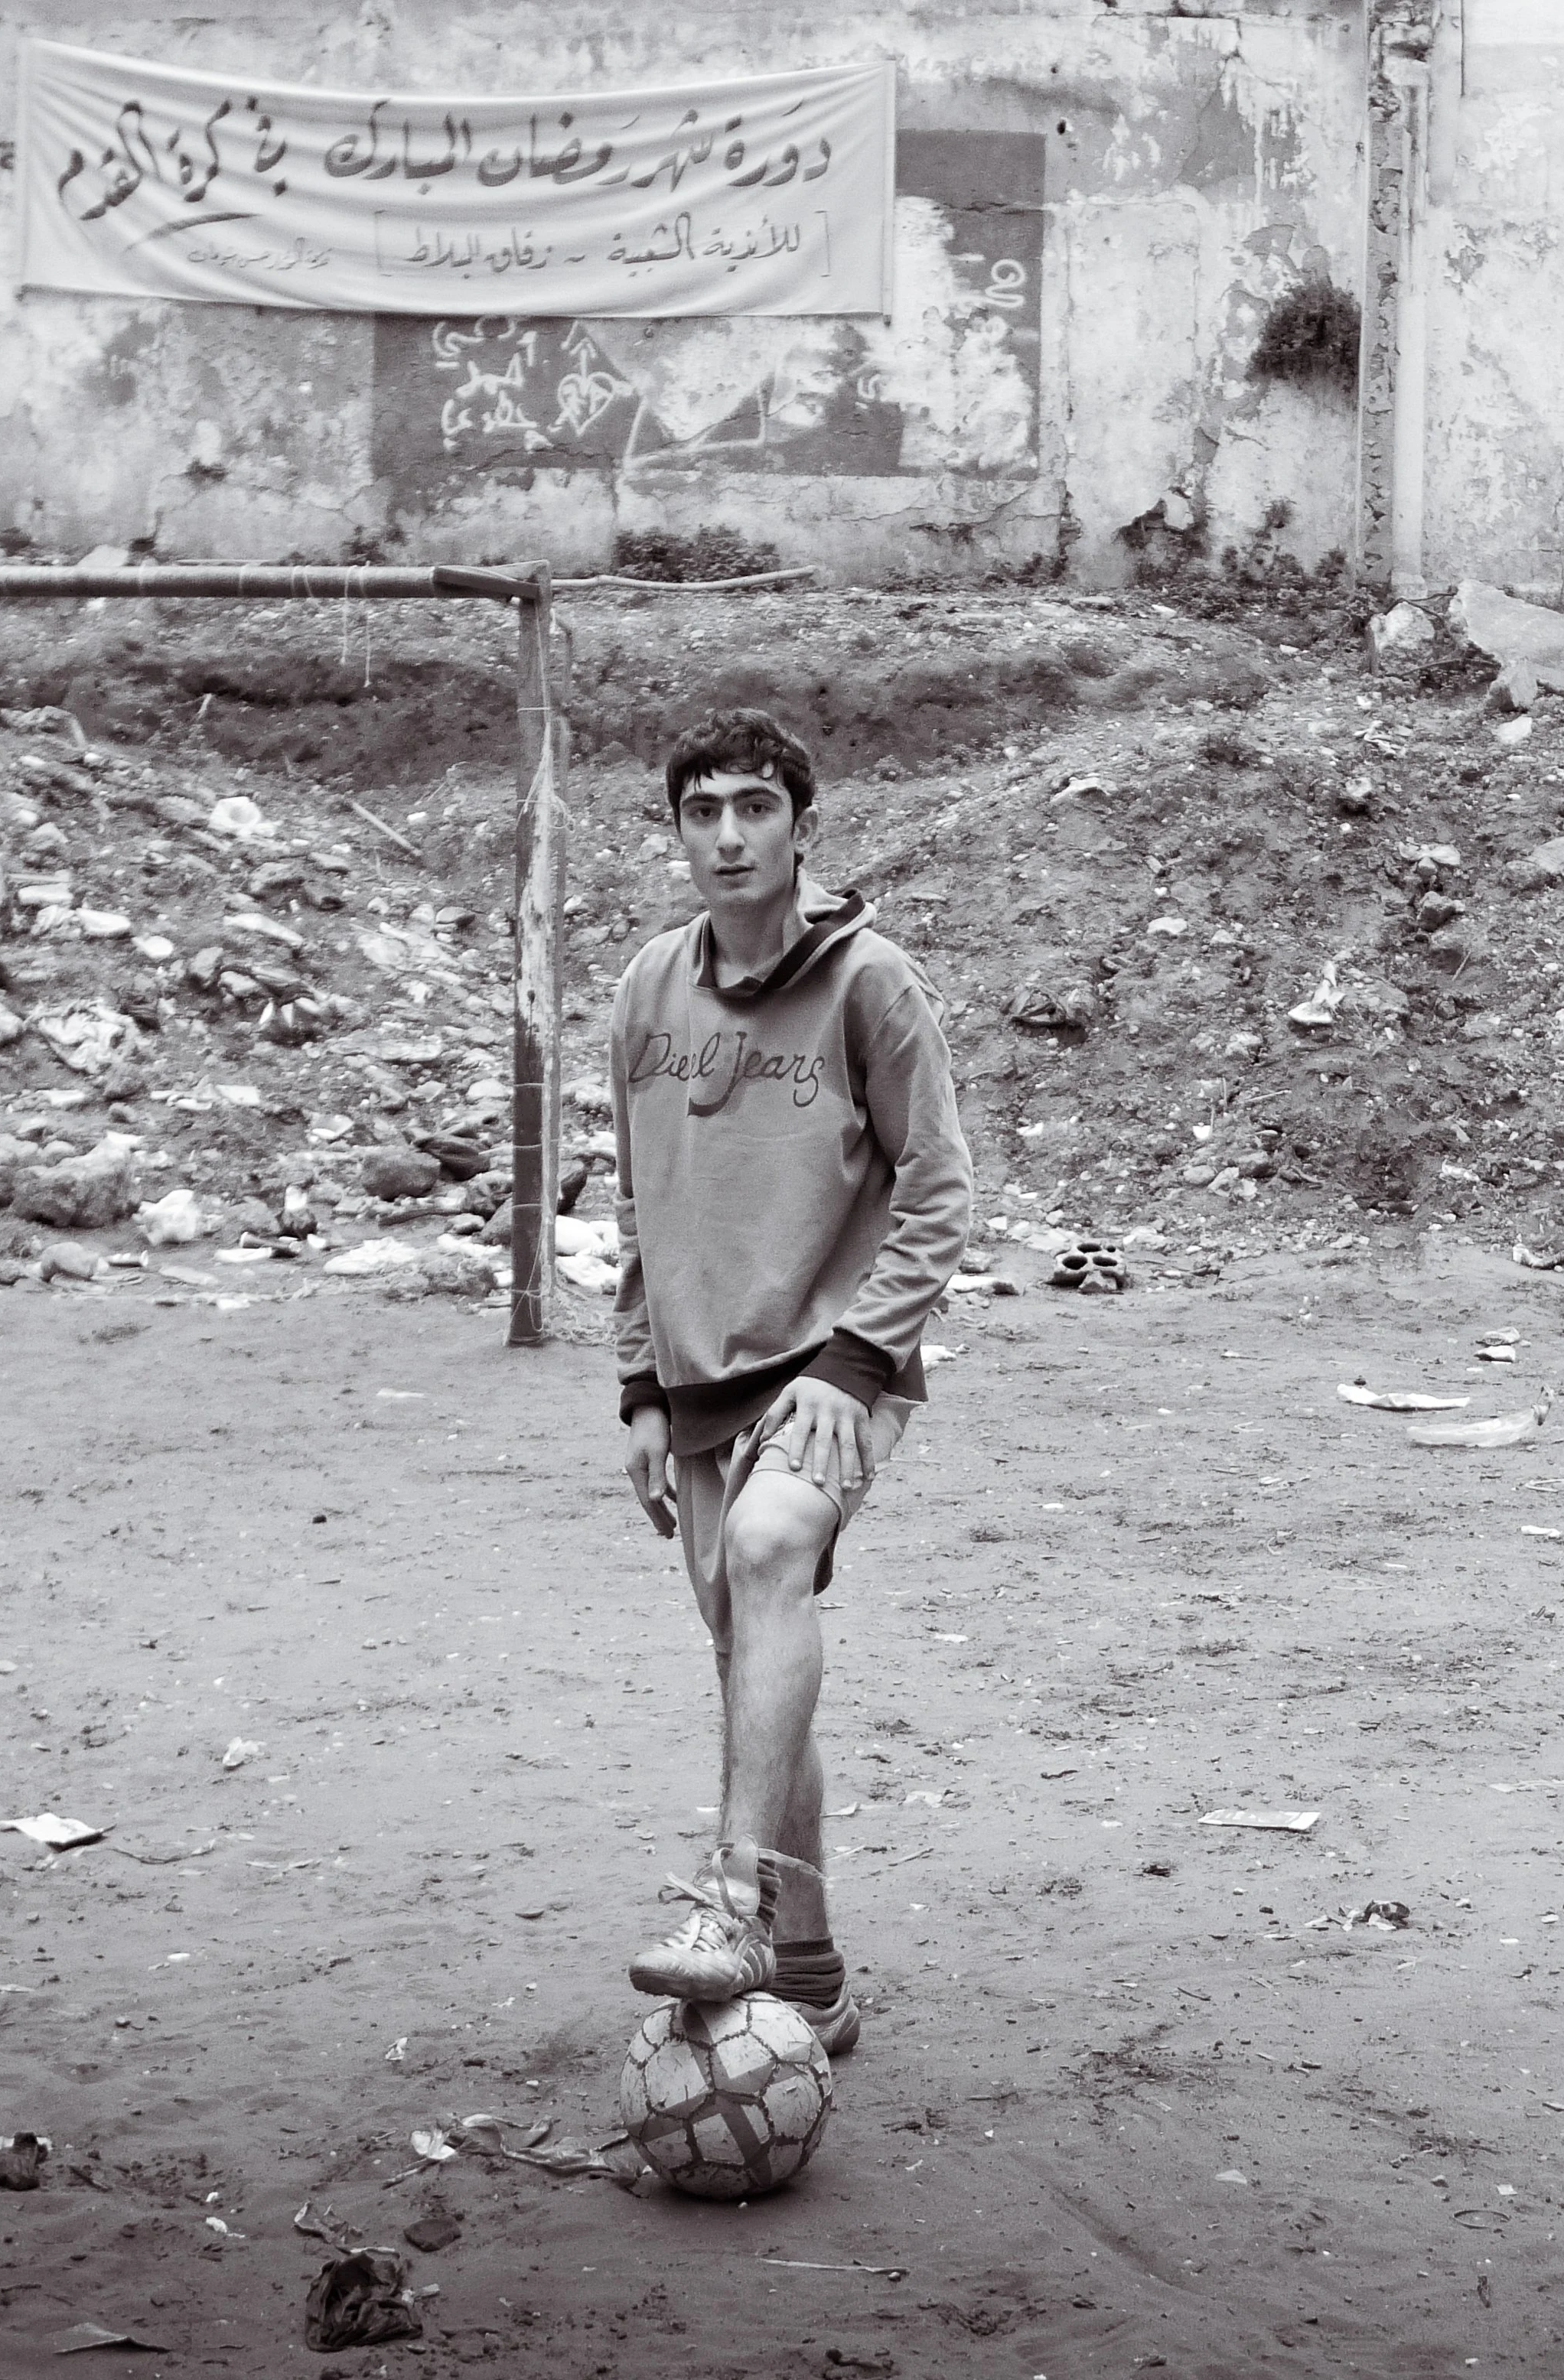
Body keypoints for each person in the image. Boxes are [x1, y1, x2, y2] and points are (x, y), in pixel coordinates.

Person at [610, 708, 973, 2054]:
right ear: (678, 830)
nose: (728, 835)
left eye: (755, 807)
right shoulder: (647, 986)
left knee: (771, 1550)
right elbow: (642, 1198)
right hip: (700, 1375)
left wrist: (860, 1359)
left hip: (833, 1364)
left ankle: (729, 1903)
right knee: (754, 1664)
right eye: (702, 810)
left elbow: (940, 1187)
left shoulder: (872, 982)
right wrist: (642, 1385)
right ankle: (810, 1968)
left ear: (802, 828)